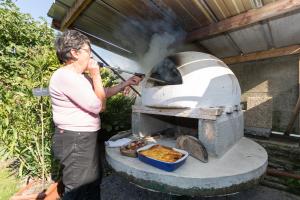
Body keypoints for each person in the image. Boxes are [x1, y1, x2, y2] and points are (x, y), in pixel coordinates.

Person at [49, 29, 142, 200]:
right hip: (74, 140)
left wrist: (126, 83)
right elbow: (99, 105)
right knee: (77, 189)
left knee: (92, 183)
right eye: (88, 51)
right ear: (74, 53)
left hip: (83, 138)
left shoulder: (80, 77)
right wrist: (96, 74)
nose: (92, 57)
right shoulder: (65, 76)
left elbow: (103, 92)